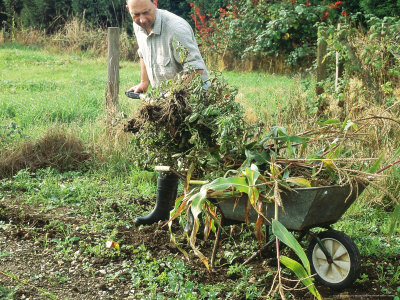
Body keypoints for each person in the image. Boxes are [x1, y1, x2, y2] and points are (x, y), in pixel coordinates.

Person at [126, 0, 209, 225]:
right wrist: (144, 83)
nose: (142, 19)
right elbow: (143, 52)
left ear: (155, 3)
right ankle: (162, 210)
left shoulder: (176, 28)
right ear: (129, 11)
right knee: (168, 152)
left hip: (194, 102)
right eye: (136, 15)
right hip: (167, 105)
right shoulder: (139, 24)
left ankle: (195, 219)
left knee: (193, 158)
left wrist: (171, 96)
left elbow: (195, 67)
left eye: (146, 13)